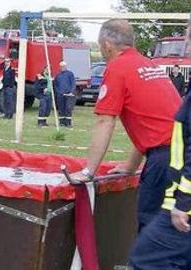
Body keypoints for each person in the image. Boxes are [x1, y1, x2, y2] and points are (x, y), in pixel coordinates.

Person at [70, 19, 182, 232]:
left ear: (106, 45)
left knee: (152, 232)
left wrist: (88, 171)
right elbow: (153, 126)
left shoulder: (117, 67)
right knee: (174, 229)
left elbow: (105, 120)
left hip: (166, 159)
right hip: (179, 151)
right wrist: (131, 166)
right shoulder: (148, 64)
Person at [129, 22, 191, 270]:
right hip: (176, 196)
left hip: (183, 206)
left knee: (147, 259)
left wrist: (183, 204)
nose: (186, 40)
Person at [54, 61, 76, 127]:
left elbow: (73, 83)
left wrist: (71, 91)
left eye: (64, 66)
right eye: (61, 66)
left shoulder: (70, 74)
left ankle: (68, 123)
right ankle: (62, 122)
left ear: (66, 66)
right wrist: (58, 92)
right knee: (61, 108)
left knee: (68, 108)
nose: (62, 67)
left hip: (68, 94)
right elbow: (55, 85)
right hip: (60, 94)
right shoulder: (58, 75)